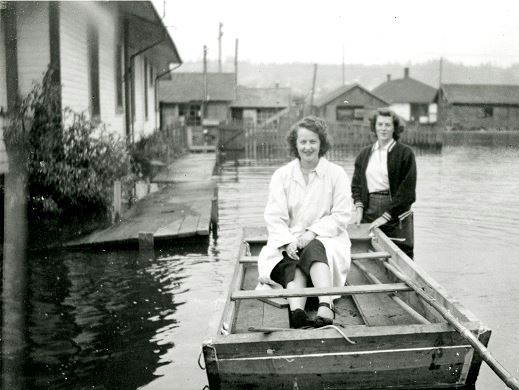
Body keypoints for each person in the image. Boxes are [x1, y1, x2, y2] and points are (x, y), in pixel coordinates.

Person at [257, 116, 352, 328]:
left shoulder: (336, 174)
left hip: (327, 238)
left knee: (314, 248)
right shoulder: (282, 175)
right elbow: (274, 216)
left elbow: (342, 214)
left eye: (313, 142)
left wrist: (311, 233)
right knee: (292, 261)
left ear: (321, 144)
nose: (307, 147)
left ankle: (325, 305)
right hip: (288, 239)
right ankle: (297, 311)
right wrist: (288, 241)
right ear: (295, 144)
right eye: (303, 142)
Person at [351, 108, 417, 258]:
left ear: (394, 128)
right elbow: (356, 185)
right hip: (369, 210)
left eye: (388, 125)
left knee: (399, 254)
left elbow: (407, 192)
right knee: (370, 250)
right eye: (380, 124)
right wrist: (359, 209)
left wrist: (385, 217)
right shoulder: (364, 154)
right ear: (374, 127)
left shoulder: (405, 154)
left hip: (396, 213)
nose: (383, 128)